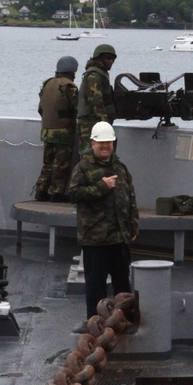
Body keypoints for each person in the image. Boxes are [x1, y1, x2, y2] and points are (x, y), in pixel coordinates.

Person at [67, 121, 139, 322]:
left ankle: (124, 321)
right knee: (95, 286)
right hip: (95, 240)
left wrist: (133, 225)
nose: (105, 146)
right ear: (92, 143)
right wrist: (102, 186)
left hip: (119, 238)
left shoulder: (121, 168)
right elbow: (73, 194)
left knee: (122, 285)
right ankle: (94, 323)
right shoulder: (83, 168)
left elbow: (130, 197)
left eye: (109, 142)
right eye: (101, 143)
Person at [34, 55, 79, 201]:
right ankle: (56, 193)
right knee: (61, 164)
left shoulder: (47, 84)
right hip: (63, 132)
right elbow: (77, 107)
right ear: (73, 71)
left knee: (47, 163)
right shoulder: (69, 87)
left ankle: (41, 191)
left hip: (47, 130)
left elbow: (41, 108)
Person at [76, 43, 117, 152]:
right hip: (90, 122)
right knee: (89, 153)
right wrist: (105, 123)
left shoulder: (100, 74)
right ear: (100, 58)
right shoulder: (94, 75)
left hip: (95, 121)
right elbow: (95, 101)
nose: (111, 61)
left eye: (113, 59)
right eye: (108, 58)